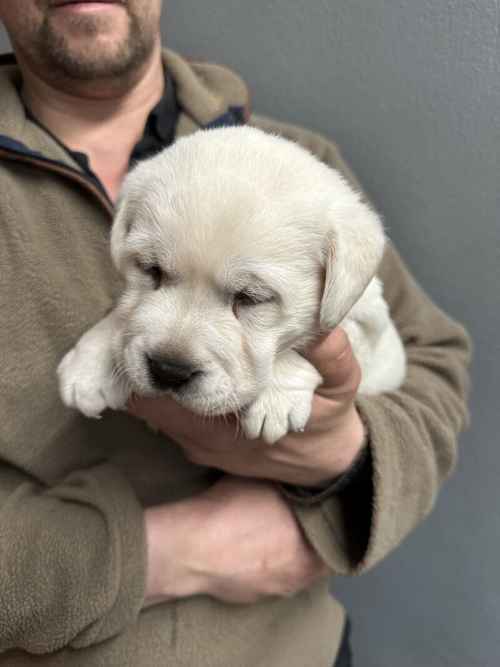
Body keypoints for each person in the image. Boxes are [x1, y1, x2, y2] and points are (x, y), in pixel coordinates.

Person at [0, 1, 470, 665]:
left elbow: (431, 367)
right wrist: (174, 552)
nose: (173, 347)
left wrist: (341, 452)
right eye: (152, 272)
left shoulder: (308, 179)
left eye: (248, 296)